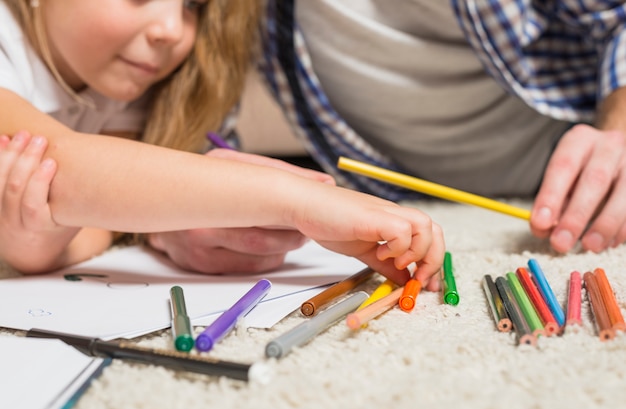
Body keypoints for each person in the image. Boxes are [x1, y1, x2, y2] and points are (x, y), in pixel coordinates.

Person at [148, 0, 626, 276]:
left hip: (578, 158)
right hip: (405, 198)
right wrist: (176, 200)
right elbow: (192, 124)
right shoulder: (230, 15)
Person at [0, 0, 445, 289]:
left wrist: (42, 248)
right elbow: (62, 167)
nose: (172, 30)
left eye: (192, 5)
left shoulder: (114, 88)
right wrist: (299, 202)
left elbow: (97, 221)